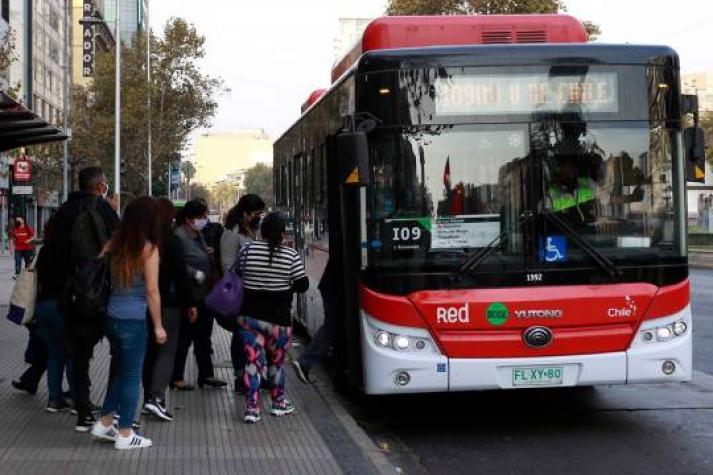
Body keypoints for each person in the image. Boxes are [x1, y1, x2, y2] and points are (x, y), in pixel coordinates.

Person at [45, 166, 119, 431]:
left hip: (69, 296)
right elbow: (117, 247)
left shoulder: (62, 212)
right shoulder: (103, 209)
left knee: (78, 354)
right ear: (100, 186)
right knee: (120, 353)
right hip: (101, 294)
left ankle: (83, 410)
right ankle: (111, 411)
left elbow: (51, 253)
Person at [90, 196, 165, 450]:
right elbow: (152, 292)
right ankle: (125, 433)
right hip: (133, 320)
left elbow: (97, 271)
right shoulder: (148, 249)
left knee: (121, 372)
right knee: (132, 376)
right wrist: (158, 326)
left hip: (111, 317)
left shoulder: (113, 244)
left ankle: (104, 422)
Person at [238, 212, 309, 423]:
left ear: (262, 230)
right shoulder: (290, 255)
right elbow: (303, 284)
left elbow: (239, 273)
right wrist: (284, 282)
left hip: (251, 319)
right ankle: (278, 403)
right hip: (279, 322)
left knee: (253, 363)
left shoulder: (247, 251)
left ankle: (252, 408)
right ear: (281, 232)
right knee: (276, 363)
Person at [142, 198, 198, 421]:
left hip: (143, 305)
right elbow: (182, 276)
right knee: (167, 352)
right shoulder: (172, 242)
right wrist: (191, 303)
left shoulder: (142, 240)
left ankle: (149, 396)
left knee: (150, 353)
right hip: (169, 305)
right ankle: (156, 398)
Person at [171, 199, 227, 390]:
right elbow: (174, 264)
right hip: (189, 295)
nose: (205, 219)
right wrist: (194, 272)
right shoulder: (179, 237)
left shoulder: (198, 235)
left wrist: (208, 254)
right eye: (201, 216)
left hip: (205, 294)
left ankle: (206, 374)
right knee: (185, 337)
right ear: (189, 219)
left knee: (204, 337)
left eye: (205, 215)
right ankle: (176, 376)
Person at [219, 194, 265, 391]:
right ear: (245, 213)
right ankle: (240, 375)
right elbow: (227, 266)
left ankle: (256, 373)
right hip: (240, 292)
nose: (259, 217)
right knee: (240, 333)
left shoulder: (256, 232)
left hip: (257, 292)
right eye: (256, 214)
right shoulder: (231, 234)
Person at [34, 215, 74, 412]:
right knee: (72, 353)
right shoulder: (68, 252)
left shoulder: (44, 251)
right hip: (61, 307)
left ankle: (54, 399)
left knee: (54, 353)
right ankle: (76, 397)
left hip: (42, 307)